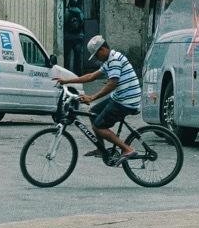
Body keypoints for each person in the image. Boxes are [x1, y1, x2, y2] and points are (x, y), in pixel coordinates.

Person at [57, 35, 144, 166]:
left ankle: (127, 149)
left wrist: (92, 97)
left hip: (127, 101)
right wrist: (66, 81)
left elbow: (112, 84)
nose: (96, 59)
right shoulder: (109, 60)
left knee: (98, 126)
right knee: (93, 112)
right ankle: (101, 148)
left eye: (96, 55)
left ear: (102, 49)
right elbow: (91, 76)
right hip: (120, 97)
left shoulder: (114, 60)